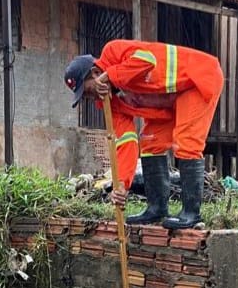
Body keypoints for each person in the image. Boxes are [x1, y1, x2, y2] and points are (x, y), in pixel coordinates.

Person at [64, 40, 224, 230]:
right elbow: (126, 142)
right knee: (149, 144)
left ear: (96, 73)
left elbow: (146, 60)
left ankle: (191, 213)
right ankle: (157, 208)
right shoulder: (110, 104)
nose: (91, 98)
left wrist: (111, 76)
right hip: (169, 105)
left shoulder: (113, 51)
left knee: (187, 143)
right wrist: (122, 184)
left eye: (88, 91)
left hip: (197, 80)